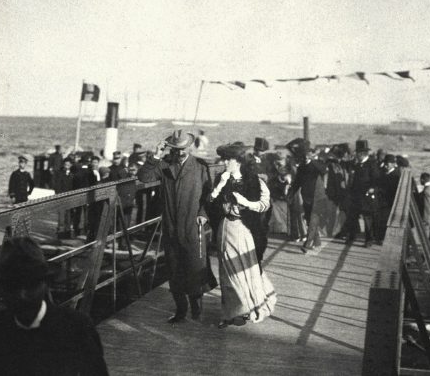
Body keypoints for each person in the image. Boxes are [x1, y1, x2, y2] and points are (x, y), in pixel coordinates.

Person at [0, 237, 108, 376]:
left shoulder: (76, 327)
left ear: (46, 284)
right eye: (12, 286)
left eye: (31, 285)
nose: (22, 295)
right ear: (1, 289)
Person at [137, 130, 217, 323]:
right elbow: (144, 177)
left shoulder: (200, 167)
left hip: (193, 225)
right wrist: (155, 155)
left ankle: (196, 307)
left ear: (189, 147)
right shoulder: (164, 165)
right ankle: (181, 310)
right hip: (171, 226)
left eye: (182, 149)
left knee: (195, 267)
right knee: (174, 269)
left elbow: (210, 195)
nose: (179, 152)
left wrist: (203, 214)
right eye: (175, 149)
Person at [210, 142, 276, 328]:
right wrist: (220, 186)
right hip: (225, 228)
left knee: (246, 269)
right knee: (227, 271)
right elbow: (211, 200)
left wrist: (245, 202)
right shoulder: (221, 179)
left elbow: (264, 205)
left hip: (244, 229)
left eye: (227, 159)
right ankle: (231, 312)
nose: (223, 162)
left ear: (237, 162)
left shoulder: (255, 181)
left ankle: (249, 307)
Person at [288, 138, 328, 252]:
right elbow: (297, 183)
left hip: (317, 197)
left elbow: (324, 170)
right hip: (307, 197)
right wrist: (291, 194)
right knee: (309, 218)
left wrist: (313, 160)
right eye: (303, 156)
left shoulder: (317, 165)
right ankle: (317, 241)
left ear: (310, 155)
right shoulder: (301, 168)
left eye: (307, 155)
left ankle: (308, 243)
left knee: (313, 219)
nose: (305, 157)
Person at [346, 140, 379, 247]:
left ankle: (369, 240)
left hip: (367, 196)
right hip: (356, 196)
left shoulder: (372, 164)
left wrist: (372, 188)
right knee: (352, 216)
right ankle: (352, 236)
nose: (356, 155)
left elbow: (377, 180)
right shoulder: (356, 164)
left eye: (358, 153)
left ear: (362, 154)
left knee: (367, 218)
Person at [375, 154, 400, 243]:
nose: (386, 165)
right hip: (382, 201)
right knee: (381, 219)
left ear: (393, 164)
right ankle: (381, 237)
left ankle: (386, 238)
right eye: (385, 163)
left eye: (388, 163)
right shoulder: (382, 173)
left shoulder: (397, 175)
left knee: (388, 219)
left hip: (390, 201)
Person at [53, 157, 75, 239]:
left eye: (68, 165)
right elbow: (57, 186)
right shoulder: (59, 174)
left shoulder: (72, 175)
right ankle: (60, 233)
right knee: (61, 216)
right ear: (63, 165)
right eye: (65, 164)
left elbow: (73, 186)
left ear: (71, 165)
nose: (67, 166)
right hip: (61, 198)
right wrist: (58, 195)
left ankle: (67, 233)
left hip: (69, 198)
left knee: (68, 216)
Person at [415, 172, 430, 237]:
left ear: (422, 179)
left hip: (426, 216)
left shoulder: (426, 191)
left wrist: (425, 218)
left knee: (425, 234)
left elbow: (428, 205)